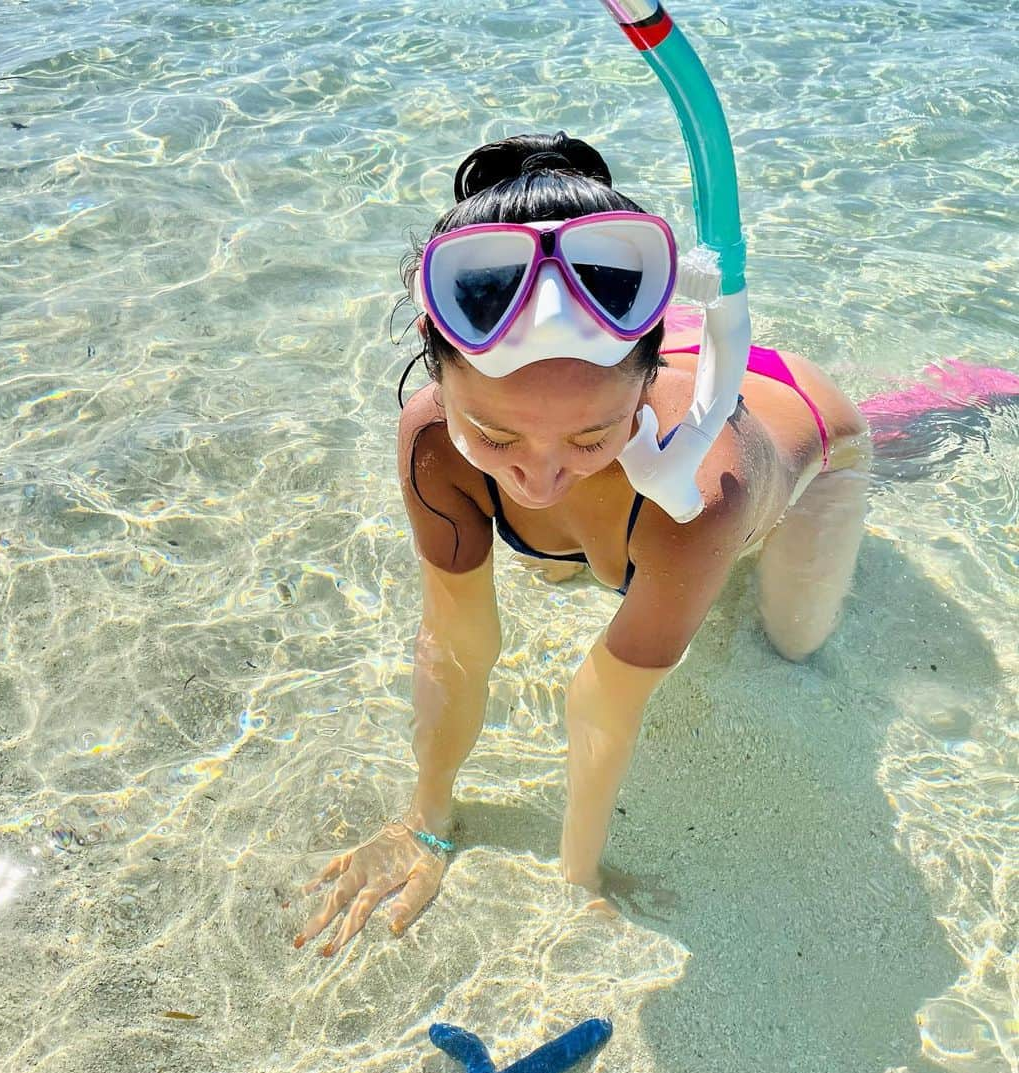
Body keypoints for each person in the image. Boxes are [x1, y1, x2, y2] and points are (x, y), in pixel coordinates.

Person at [296, 131, 871, 957]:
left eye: (592, 438)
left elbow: (604, 702)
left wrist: (579, 881)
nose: (538, 479)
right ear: (436, 373)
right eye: (494, 434)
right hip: (616, 406)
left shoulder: (700, 493)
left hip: (809, 434)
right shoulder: (428, 437)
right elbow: (455, 639)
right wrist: (425, 822)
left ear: (649, 374)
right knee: (584, 558)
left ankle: (913, 420)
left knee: (791, 640)